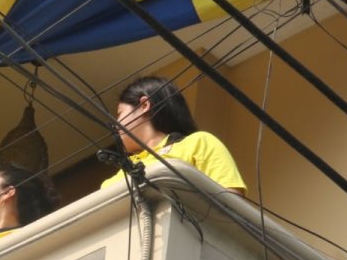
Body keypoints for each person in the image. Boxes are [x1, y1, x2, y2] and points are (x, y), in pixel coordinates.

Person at [101, 76, 246, 195]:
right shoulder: (119, 176)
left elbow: (231, 201)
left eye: (119, 113)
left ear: (144, 105)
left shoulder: (198, 143)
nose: (116, 124)